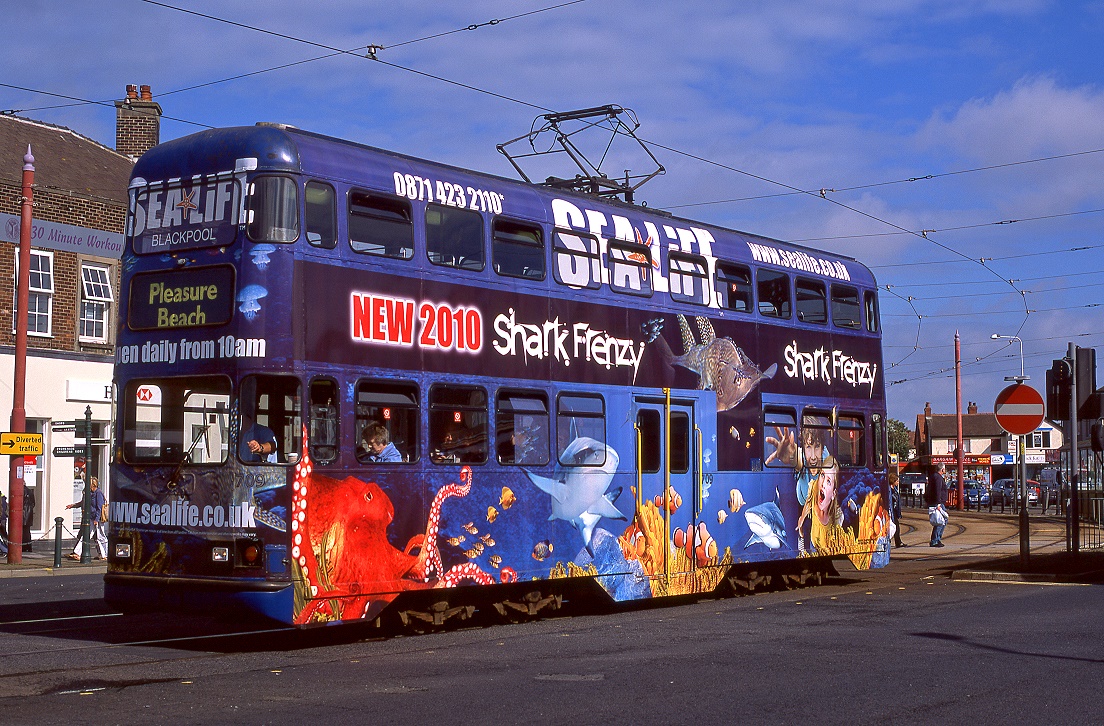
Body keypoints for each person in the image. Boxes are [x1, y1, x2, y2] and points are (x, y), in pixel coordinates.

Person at [66, 477, 107, 560]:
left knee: (101, 537)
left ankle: (105, 554)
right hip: (91, 517)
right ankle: (77, 552)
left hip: (96, 519)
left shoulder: (98, 493)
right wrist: (73, 506)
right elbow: (83, 503)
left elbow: (100, 507)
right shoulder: (90, 493)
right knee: (87, 535)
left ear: (93, 485)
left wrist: (96, 519)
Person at [925, 463, 948, 548]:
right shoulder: (938, 478)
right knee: (941, 521)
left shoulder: (933, 476)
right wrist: (938, 503)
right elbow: (937, 490)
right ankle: (935, 540)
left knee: (941, 520)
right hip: (938, 502)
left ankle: (936, 539)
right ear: (942, 469)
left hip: (936, 502)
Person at [889, 472, 905, 548]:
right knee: (894, 528)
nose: (898, 482)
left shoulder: (894, 489)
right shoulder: (889, 490)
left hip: (895, 512)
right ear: (893, 481)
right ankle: (897, 542)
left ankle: (898, 542)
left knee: (896, 527)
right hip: (891, 512)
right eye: (897, 481)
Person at [21, 485, 35, 553]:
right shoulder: (30, 491)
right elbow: (33, 503)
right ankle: (29, 547)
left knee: (23, 532)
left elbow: (20, 503)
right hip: (29, 514)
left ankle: (23, 547)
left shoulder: (21, 490)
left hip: (23, 514)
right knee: (27, 532)